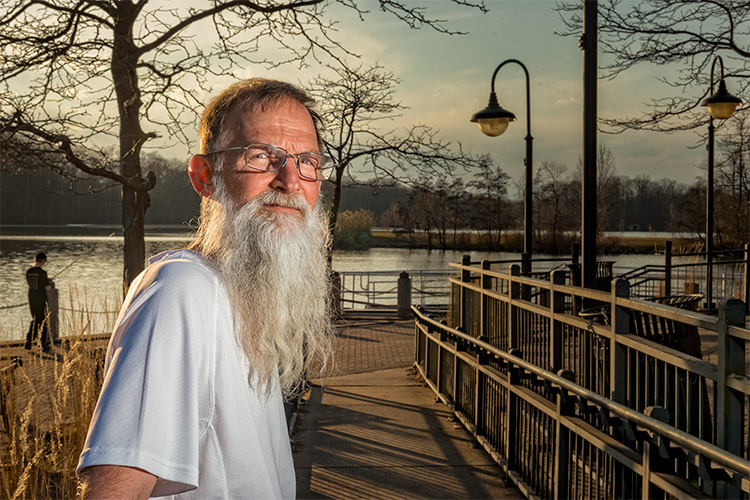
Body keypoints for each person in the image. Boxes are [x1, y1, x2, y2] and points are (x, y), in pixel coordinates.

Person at [76, 78, 335, 499]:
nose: (290, 180)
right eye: (261, 157)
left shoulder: (248, 296)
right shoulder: (183, 290)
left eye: (308, 161)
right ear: (205, 177)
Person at [25, 251, 51, 352]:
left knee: (35, 319)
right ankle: (42, 344)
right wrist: (48, 283)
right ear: (43, 260)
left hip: (32, 297)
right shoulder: (42, 273)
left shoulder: (28, 271)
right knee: (43, 321)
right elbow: (47, 288)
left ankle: (29, 338)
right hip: (41, 298)